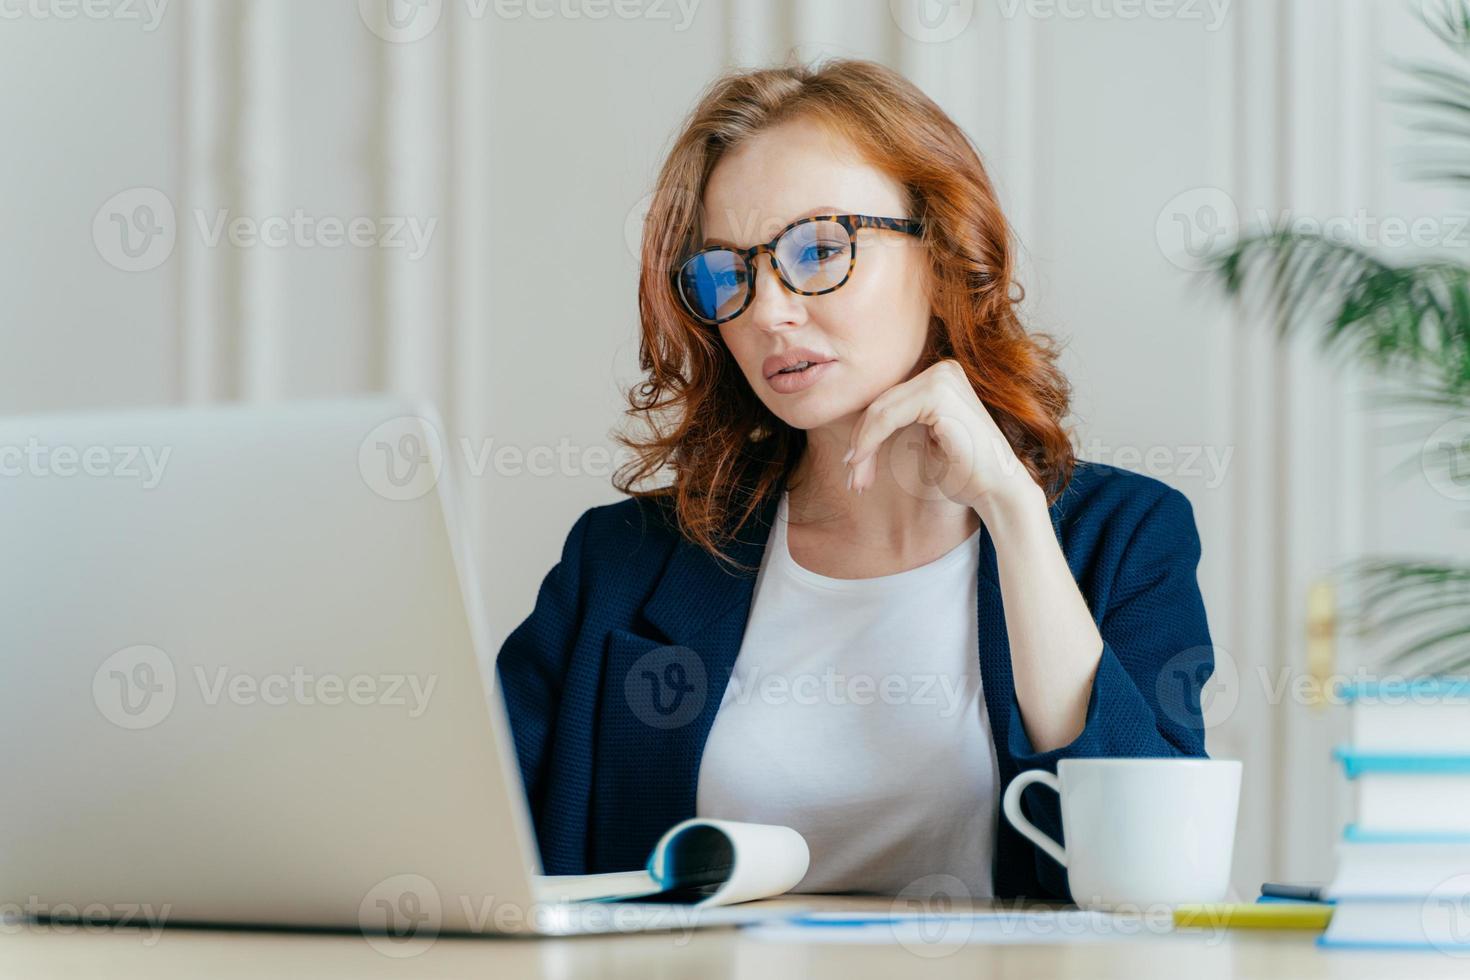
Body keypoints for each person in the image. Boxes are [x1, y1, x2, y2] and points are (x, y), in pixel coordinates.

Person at [495, 58, 1215, 903]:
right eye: (729, 273)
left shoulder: (1127, 537)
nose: (768, 311)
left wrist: (1015, 514)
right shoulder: (619, 563)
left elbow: (1152, 883)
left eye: (821, 249)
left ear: (943, 251)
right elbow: (463, 846)